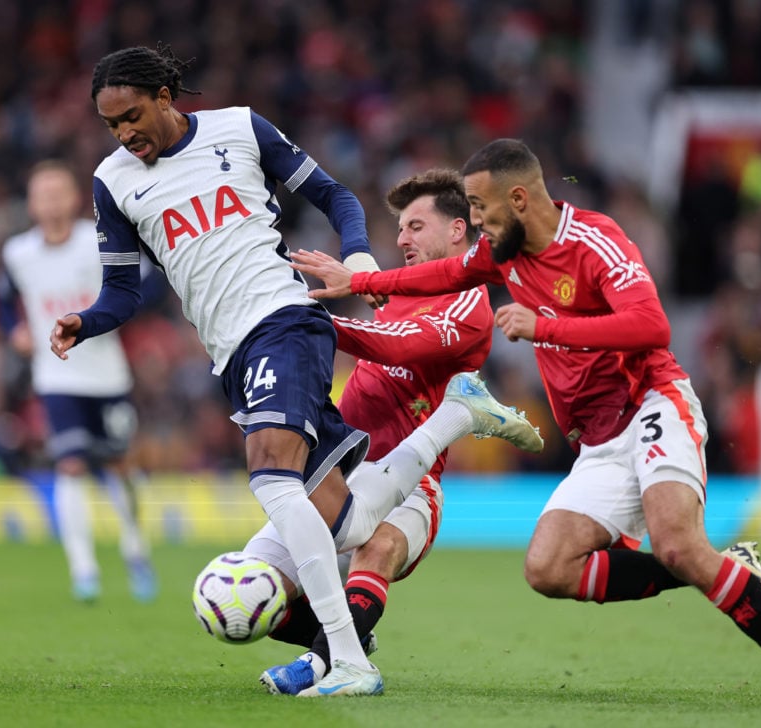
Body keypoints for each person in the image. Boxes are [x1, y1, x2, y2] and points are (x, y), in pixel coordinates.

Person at [290, 138, 761, 712]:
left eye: (482, 209)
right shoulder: (503, 253)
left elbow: (651, 325)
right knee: (548, 567)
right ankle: (730, 569)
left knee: (679, 543)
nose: (477, 223)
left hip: (651, 403)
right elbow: (437, 277)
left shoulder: (592, 240)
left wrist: (547, 327)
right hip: (599, 441)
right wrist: (356, 284)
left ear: (518, 198)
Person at [48, 45, 535, 697]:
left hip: (283, 318)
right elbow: (123, 291)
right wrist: (87, 321)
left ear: (164, 98)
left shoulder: (240, 130)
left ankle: (347, 661)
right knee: (349, 523)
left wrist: (358, 258)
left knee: (273, 480)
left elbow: (335, 195)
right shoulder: (114, 181)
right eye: (111, 125)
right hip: (233, 353)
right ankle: (458, 415)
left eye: (131, 115)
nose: (124, 133)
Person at [250, 169, 541, 695]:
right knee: (246, 601)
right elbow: (376, 311)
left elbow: (404, 345)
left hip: (409, 482)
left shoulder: (469, 299)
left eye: (414, 225)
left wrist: (318, 322)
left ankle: (323, 668)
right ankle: (349, 635)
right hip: (337, 469)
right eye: (400, 228)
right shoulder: (394, 286)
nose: (401, 239)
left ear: (458, 230)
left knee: (377, 545)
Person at [0, 160, 156, 603]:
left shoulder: (98, 241)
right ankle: (83, 570)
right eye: (41, 194)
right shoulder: (17, 254)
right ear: (30, 203)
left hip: (108, 376)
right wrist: (16, 330)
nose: (49, 202)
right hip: (56, 375)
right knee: (70, 465)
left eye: (58, 192)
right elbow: (5, 297)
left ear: (74, 199)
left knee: (120, 467)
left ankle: (135, 548)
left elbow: (143, 283)